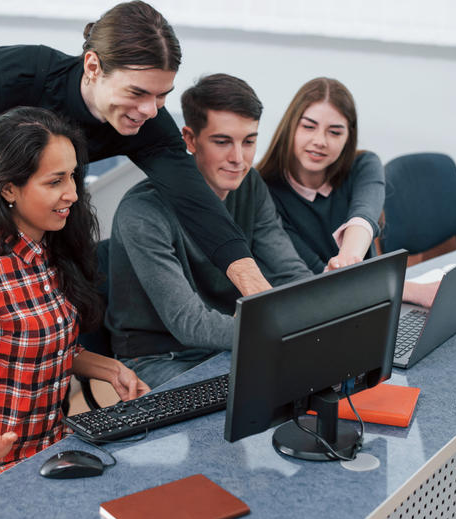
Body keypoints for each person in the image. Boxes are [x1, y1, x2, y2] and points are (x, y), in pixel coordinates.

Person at [0, 0, 270, 312]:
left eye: (162, 95)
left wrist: (259, 292)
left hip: (42, 220)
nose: (150, 109)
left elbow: (196, 204)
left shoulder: (148, 121)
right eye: (137, 93)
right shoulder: (6, 76)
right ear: (93, 67)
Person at [0, 107, 149, 500]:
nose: (72, 193)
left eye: (72, 176)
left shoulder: (48, 251)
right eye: (55, 181)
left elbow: (42, 346)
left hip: (51, 453)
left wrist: (109, 368)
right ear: (8, 189)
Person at [105, 74, 313, 388]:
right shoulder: (142, 211)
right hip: (160, 357)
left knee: (312, 383)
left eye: (249, 141)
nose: (238, 159)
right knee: (259, 396)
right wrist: (280, 327)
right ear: (190, 139)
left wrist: (319, 313)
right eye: (222, 142)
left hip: (228, 340)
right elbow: (188, 323)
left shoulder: (250, 185)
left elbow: (289, 272)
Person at [257, 77, 438, 307]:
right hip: (318, 308)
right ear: (290, 126)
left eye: (334, 132)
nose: (320, 141)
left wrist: (348, 257)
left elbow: (364, 217)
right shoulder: (264, 192)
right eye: (309, 127)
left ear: (348, 137)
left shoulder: (364, 165)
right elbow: (319, 279)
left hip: (375, 301)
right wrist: (413, 290)